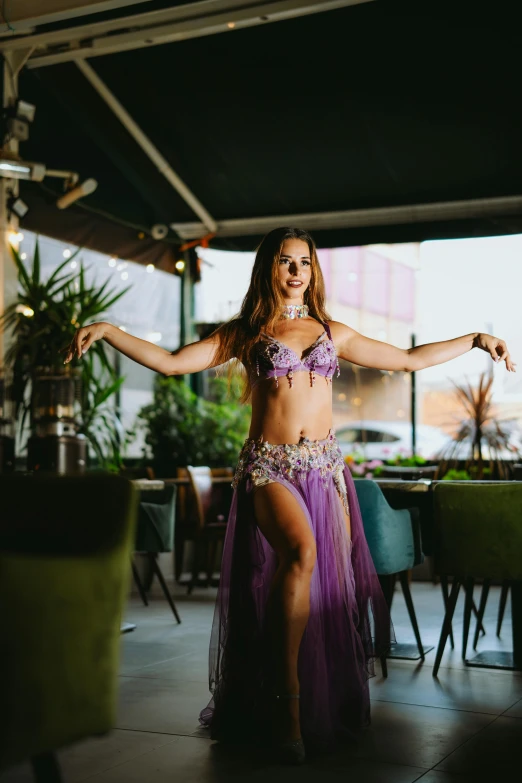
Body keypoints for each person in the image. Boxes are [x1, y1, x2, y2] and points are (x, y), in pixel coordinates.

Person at [65, 227, 515, 765]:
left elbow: (409, 359)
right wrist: (110, 330)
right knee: (302, 556)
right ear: (268, 269)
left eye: (304, 261)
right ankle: (289, 709)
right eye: (285, 260)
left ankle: (310, 695)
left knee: (328, 588)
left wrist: (473, 340)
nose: (296, 270)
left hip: (325, 471)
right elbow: (171, 362)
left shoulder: (333, 331)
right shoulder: (246, 333)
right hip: (269, 470)